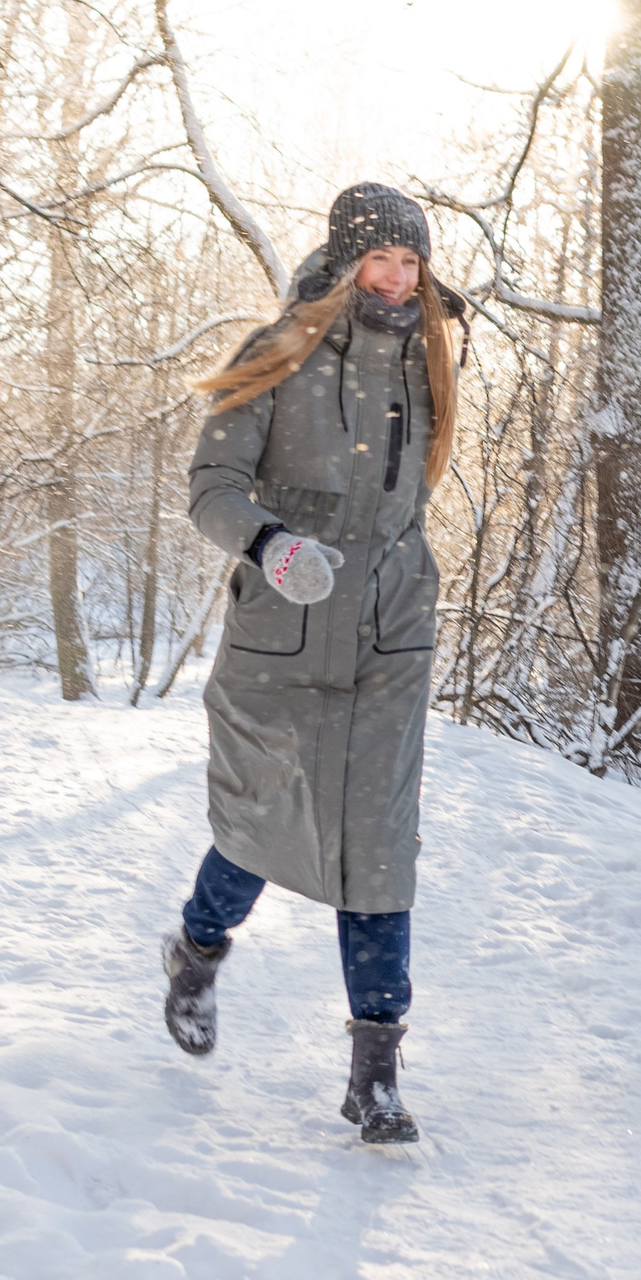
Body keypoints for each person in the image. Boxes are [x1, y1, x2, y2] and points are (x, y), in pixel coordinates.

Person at [159, 182, 460, 1146]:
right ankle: (197, 953)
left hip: (390, 631)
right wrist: (268, 543)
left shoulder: (428, 358)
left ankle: (375, 1069)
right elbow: (210, 487)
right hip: (285, 622)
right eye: (383, 260)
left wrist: (410, 577)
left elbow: (414, 493)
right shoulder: (277, 350)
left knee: (379, 843)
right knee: (257, 821)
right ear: (345, 263)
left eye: (412, 263)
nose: (399, 279)